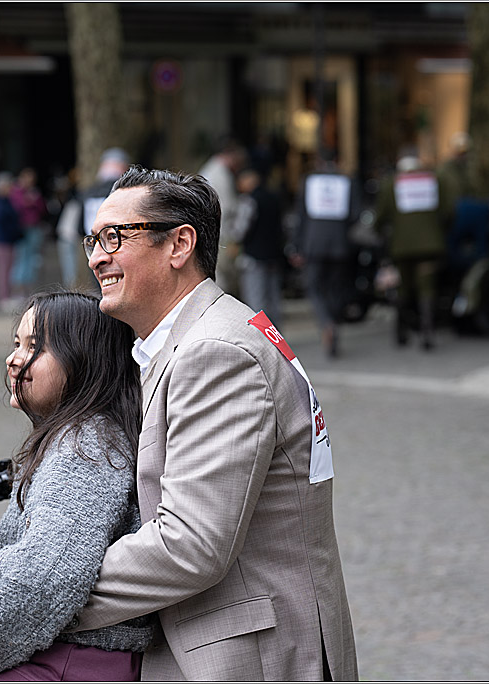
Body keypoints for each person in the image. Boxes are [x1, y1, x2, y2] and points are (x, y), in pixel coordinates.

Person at [72, 165, 357, 681]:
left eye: (114, 236)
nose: (96, 256)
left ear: (179, 245)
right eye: (92, 238)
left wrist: (39, 597)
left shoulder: (215, 352)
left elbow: (190, 545)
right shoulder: (213, 331)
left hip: (246, 659)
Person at [0, 290, 153, 681]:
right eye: (17, 343)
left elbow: (49, 571)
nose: (14, 359)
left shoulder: (86, 444)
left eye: (35, 347)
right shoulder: (87, 436)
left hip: (62, 663)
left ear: (84, 361)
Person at [374, 147, 452, 350]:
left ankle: (401, 331)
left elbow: (380, 216)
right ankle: (427, 332)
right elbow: (448, 211)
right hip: (429, 245)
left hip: (402, 247)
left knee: (402, 289)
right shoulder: (434, 180)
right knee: (427, 289)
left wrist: (378, 231)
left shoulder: (391, 183)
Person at [291, 154, 361, 357]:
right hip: (340, 244)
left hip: (313, 244)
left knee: (313, 286)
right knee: (336, 288)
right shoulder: (347, 181)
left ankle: (326, 322)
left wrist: (296, 245)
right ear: (337, 163)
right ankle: (334, 324)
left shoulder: (309, 181)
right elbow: (355, 215)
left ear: (319, 163)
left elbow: (300, 216)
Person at [232, 168, 287, 329]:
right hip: (274, 256)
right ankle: (277, 339)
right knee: (274, 301)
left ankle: (261, 338)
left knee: (256, 301)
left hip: (254, 258)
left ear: (251, 179)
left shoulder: (249, 201)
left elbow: (239, 231)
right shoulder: (275, 198)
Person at [197, 136, 247, 297]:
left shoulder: (215, 170)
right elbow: (227, 209)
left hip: (216, 233)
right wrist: (233, 237)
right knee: (222, 283)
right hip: (220, 235)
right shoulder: (218, 173)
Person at [74, 148, 131, 289]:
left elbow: (79, 227)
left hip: (94, 246)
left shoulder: (88, 192)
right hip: (117, 246)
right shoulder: (125, 192)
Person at [9, 167, 49, 297]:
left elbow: (42, 207)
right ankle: (19, 289)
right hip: (22, 229)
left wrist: (33, 201)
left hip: (34, 227)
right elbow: (17, 206)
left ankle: (28, 288)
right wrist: (29, 201)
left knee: (33, 258)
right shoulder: (16, 191)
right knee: (21, 258)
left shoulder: (34, 192)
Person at [0, 171, 24, 312]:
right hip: (1, 240)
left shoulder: (6, 201)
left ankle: (7, 295)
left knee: (9, 269)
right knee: (3, 270)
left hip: (8, 240)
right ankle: (2, 297)